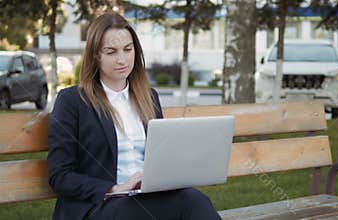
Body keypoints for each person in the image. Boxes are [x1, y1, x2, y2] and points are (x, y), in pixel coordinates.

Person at [47, 12, 221, 220]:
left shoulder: (148, 97)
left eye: (127, 50)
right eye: (111, 52)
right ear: (96, 56)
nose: (122, 59)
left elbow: (161, 157)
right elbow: (60, 175)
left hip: (147, 198)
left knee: (195, 200)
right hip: (100, 205)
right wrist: (115, 188)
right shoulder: (72, 101)